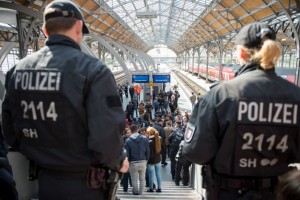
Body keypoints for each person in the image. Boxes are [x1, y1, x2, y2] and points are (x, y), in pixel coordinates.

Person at [2, 1, 129, 200]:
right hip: (86, 186)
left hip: (42, 181)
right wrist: (119, 160)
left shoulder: (17, 71)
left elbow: (9, 130)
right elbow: (106, 135)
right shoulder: (94, 71)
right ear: (78, 27)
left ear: (45, 30)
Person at [183, 22, 300, 200]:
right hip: (278, 193)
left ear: (241, 53)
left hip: (227, 193)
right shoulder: (295, 96)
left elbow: (195, 152)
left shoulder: (219, 96)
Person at [124, 124, 150, 195]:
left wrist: (128, 161)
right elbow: (148, 151)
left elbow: (127, 154)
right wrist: (146, 159)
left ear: (131, 130)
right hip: (143, 161)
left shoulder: (128, 140)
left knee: (134, 179)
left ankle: (135, 192)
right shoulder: (144, 139)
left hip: (133, 162)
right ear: (137, 129)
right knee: (142, 178)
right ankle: (141, 192)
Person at [146, 127, 162, 193]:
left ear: (149, 133)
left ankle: (151, 189)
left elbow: (150, 153)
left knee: (151, 175)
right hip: (158, 159)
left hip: (151, 161)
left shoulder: (149, 141)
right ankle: (159, 188)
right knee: (158, 174)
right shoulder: (159, 139)